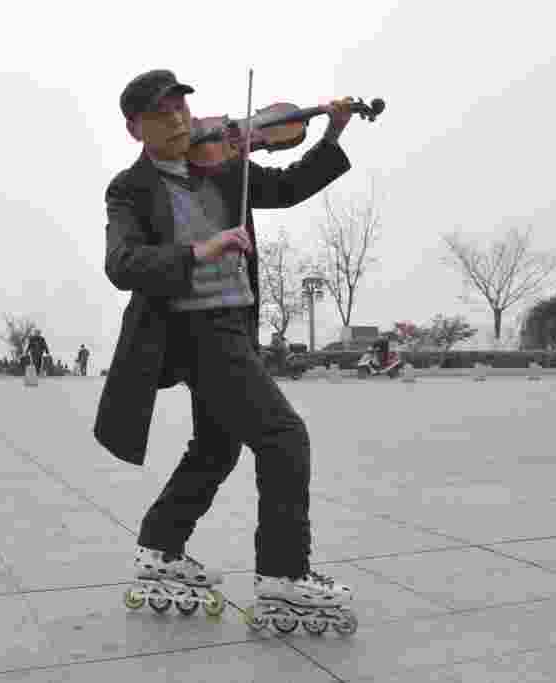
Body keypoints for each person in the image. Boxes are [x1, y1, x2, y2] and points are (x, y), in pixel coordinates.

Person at [94, 69, 357, 626]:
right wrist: (200, 249)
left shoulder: (220, 167)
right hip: (190, 329)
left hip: (233, 324)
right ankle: (285, 574)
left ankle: (160, 546)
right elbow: (123, 264)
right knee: (284, 437)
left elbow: (285, 188)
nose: (178, 118)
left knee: (218, 447)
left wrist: (331, 135)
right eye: (161, 112)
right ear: (133, 127)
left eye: (181, 107)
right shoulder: (130, 188)